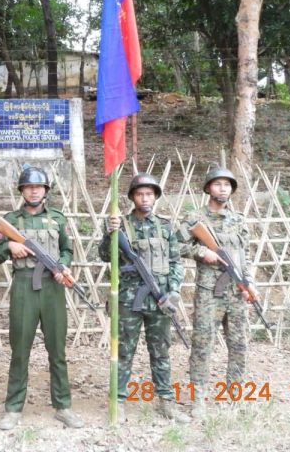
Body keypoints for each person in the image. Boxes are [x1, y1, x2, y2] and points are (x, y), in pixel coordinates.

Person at [0, 166, 84, 430]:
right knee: (20, 350)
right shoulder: (10, 220)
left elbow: (67, 250)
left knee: (57, 350)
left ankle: (63, 406)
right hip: (23, 287)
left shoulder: (57, 218)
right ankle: (13, 408)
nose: (34, 191)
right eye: (29, 187)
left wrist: (63, 267)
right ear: (22, 190)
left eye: (39, 187)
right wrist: (9, 245)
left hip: (52, 288)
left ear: (45, 191)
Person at [99, 173, 190, 424]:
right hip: (129, 301)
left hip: (160, 299)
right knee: (124, 351)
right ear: (132, 197)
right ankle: (118, 401)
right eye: (140, 194)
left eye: (149, 194)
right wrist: (110, 233)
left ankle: (166, 402)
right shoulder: (121, 225)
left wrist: (173, 292)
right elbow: (106, 256)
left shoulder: (165, 226)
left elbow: (175, 262)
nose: (145, 198)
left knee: (161, 352)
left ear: (156, 197)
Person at [178, 167, 259, 420]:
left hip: (235, 291)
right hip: (208, 293)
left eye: (227, 184)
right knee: (202, 345)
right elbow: (177, 245)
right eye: (218, 184)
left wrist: (248, 283)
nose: (223, 188)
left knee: (239, 345)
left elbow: (242, 256)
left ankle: (235, 396)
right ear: (208, 188)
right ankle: (198, 400)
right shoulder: (194, 218)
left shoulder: (239, 220)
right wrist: (202, 253)